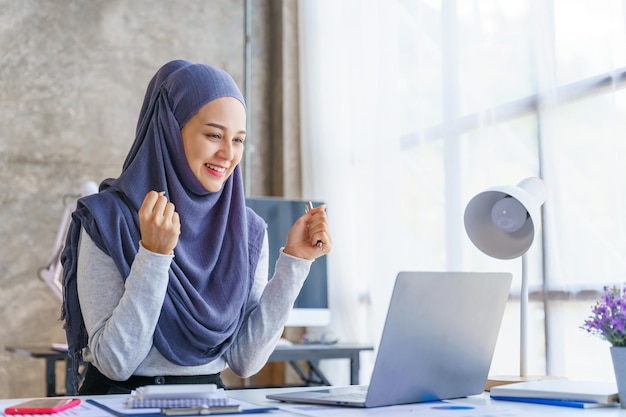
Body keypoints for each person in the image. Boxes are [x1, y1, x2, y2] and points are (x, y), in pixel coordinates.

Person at [61, 60, 332, 395]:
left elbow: (244, 360)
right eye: (214, 135)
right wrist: (154, 255)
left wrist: (295, 261)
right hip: (118, 404)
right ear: (169, 130)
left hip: (208, 403)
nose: (228, 153)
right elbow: (116, 362)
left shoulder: (248, 231)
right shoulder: (107, 218)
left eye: (238, 140)